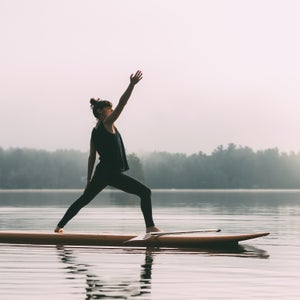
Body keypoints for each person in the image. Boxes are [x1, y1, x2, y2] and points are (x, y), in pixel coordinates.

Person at [54, 70, 160, 233]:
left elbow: (91, 158)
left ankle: (59, 226)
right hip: (110, 173)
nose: (112, 110)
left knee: (84, 200)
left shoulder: (94, 130)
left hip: (102, 173)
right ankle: (150, 228)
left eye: (111, 108)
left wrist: (89, 181)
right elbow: (122, 104)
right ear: (101, 112)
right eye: (109, 108)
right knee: (145, 192)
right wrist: (131, 85)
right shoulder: (107, 123)